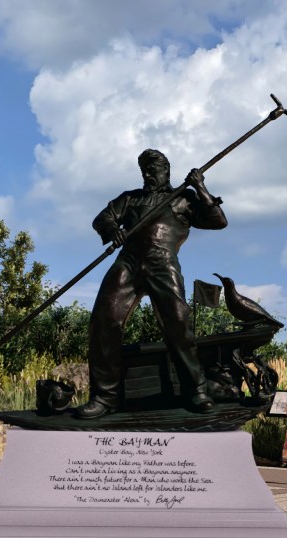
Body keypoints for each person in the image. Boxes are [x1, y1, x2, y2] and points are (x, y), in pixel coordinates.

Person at [74, 148, 227, 419]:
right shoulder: (130, 199)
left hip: (162, 263)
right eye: (144, 170)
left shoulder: (184, 198)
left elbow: (218, 221)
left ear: (166, 171)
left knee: (178, 321)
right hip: (128, 262)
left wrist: (201, 187)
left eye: (152, 170)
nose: (147, 175)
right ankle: (104, 397)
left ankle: (195, 390)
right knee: (104, 318)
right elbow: (103, 218)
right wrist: (114, 231)